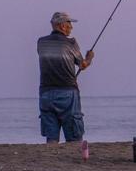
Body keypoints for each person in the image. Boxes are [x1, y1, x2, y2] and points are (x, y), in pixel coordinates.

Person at [37, 11, 94, 143]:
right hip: (68, 93)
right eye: (69, 24)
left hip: (46, 93)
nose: (71, 27)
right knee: (74, 136)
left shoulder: (41, 43)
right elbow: (82, 65)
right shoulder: (71, 43)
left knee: (51, 137)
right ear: (62, 25)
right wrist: (90, 57)